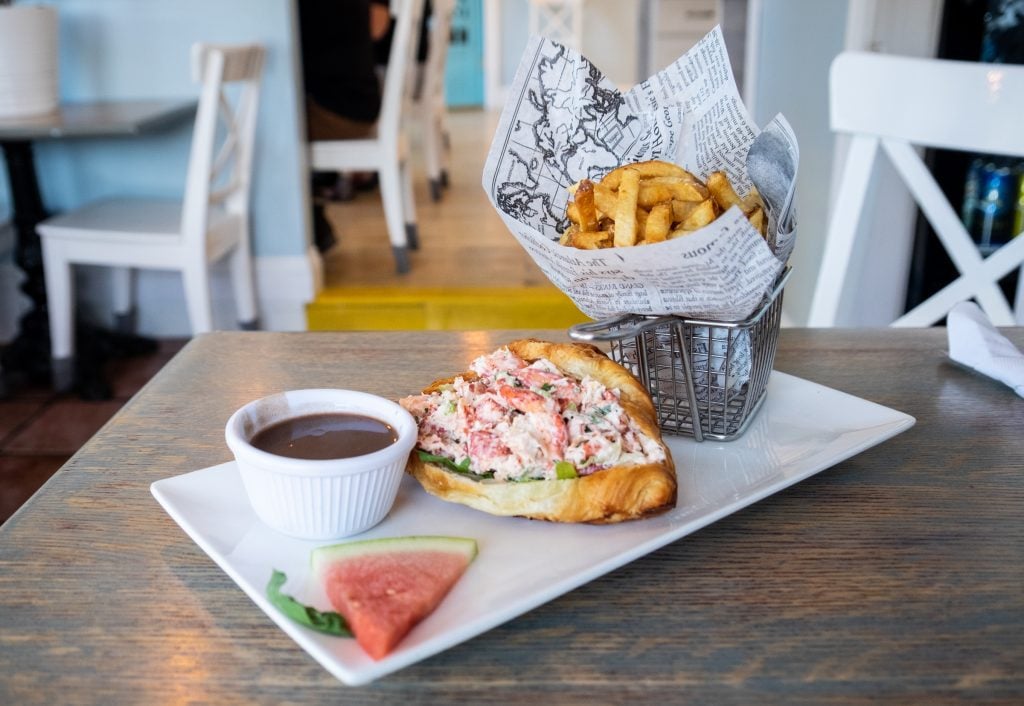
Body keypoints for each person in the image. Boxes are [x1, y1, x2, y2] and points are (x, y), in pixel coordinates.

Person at [298, 0, 391, 251]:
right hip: (359, 100)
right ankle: (314, 214)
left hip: (345, 108)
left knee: (269, 124)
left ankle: (307, 224)